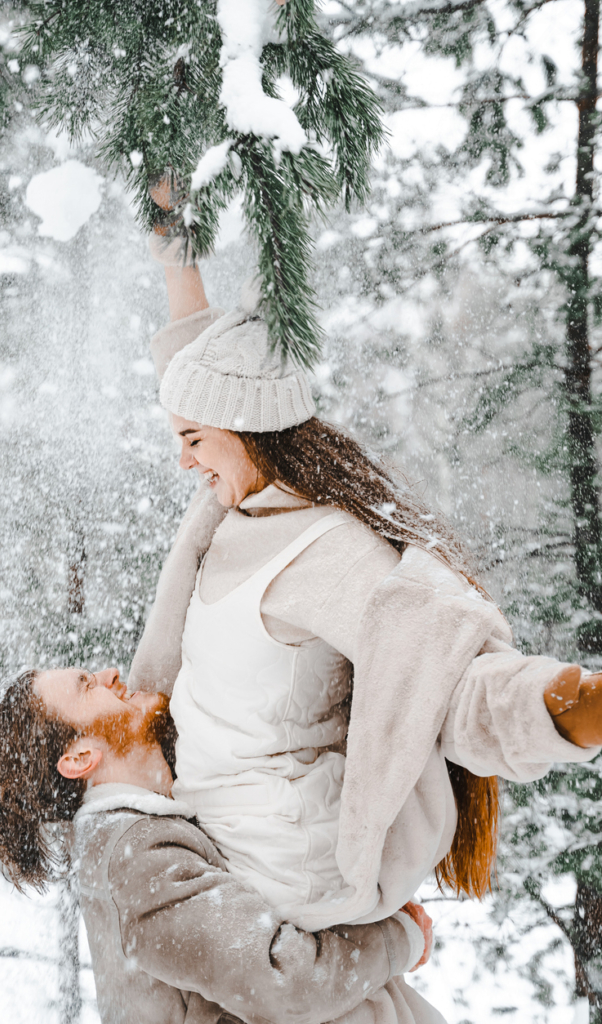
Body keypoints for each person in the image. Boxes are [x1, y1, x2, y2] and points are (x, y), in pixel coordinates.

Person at [128, 176, 602, 942]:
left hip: (277, 875)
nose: (182, 462)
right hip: (215, 835)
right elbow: (202, 366)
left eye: (191, 440)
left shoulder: (327, 554)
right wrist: (175, 251)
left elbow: (447, 684)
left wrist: (574, 704)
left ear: (245, 429)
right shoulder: (235, 502)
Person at [0, 666, 436, 1024]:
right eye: (88, 686)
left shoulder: (135, 840)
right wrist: (400, 940)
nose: (112, 673)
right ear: (80, 758)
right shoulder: (136, 861)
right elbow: (281, 979)